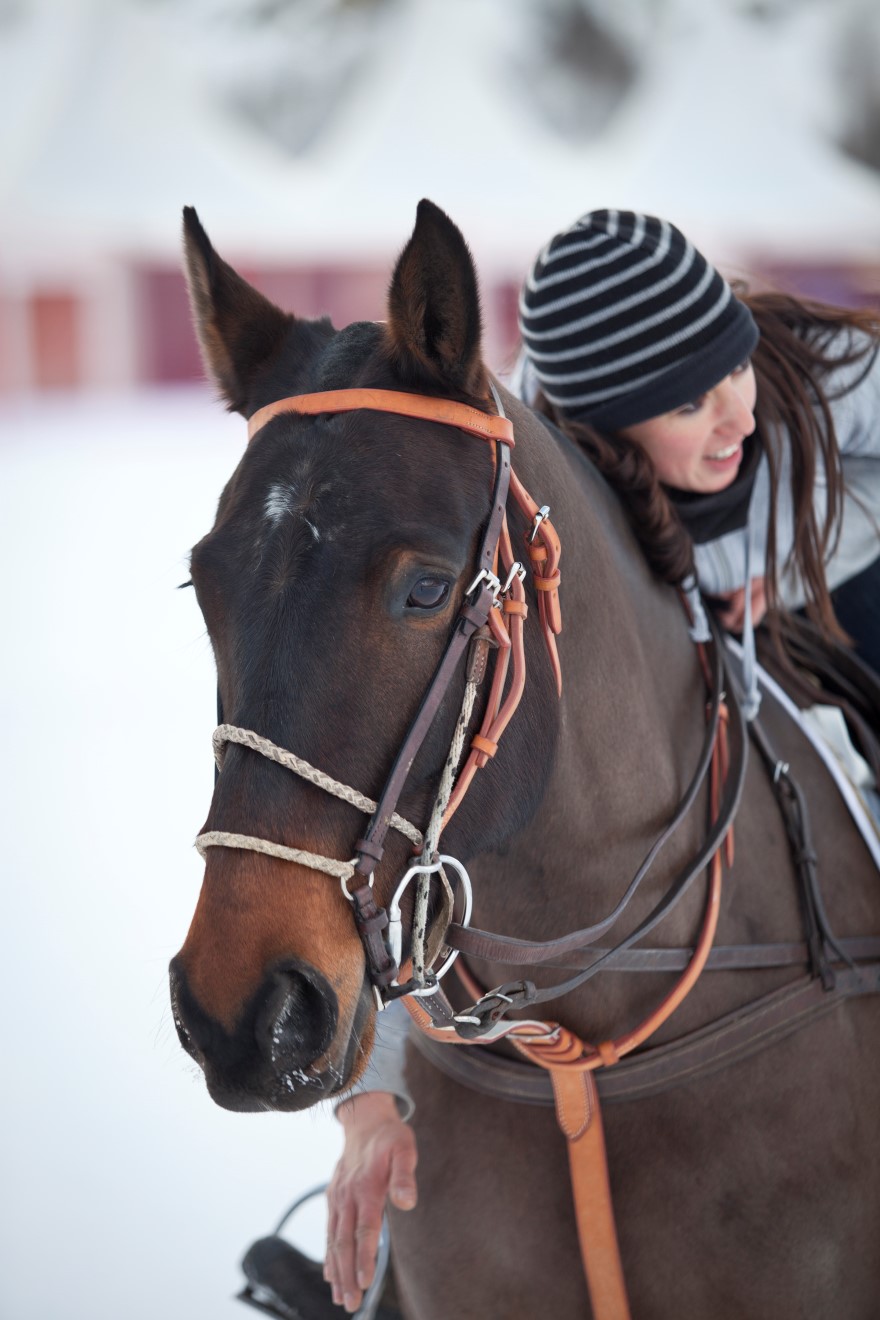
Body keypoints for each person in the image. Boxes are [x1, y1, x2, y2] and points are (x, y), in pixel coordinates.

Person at [323, 210, 880, 1313]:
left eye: (727, 369)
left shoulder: (826, 369)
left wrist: (772, 547)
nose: (733, 410)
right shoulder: (555, 464)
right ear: (601, 429)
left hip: (845, 574)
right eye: (686, 403)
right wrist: (370, 1095)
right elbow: (430, 807)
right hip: (668, 606)